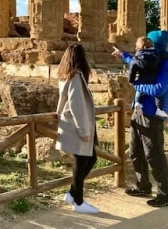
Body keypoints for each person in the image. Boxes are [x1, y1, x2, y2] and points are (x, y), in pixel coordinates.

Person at [112, 30, 168, 207]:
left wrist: (137, 84)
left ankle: (165, 194)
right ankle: (143, 185)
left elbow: (159, 89)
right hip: (139, 111)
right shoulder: (153, 58)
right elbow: (137, 61)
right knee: (136, 152)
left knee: (154, 155)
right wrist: (123, 55)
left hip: (152, 114)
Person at [56, 43, 99, 214]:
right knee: (81, 163)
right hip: (76, 126)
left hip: (70, 124)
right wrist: (84, 131)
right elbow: (76, 105)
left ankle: (72, 194)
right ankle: (78, 202)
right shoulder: (75, 77)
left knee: (89, 159)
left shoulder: (66, 75)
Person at [128, 36, 167, 118]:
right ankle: (159, 109)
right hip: (153, 78)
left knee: (139, 91)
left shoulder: (136, 57)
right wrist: (167, 54)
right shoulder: (156, 53)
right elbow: (164, 55)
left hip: (142, 78)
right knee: (158, 95)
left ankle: (137, 103)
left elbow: (132, 69)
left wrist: (131, 80)